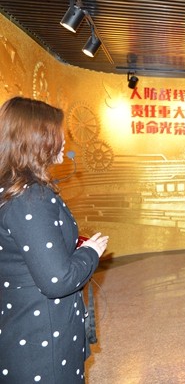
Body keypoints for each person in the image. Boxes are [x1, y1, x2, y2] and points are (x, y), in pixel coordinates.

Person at [0, 97, 108, 383]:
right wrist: (91, 252)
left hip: (23, 331)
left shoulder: (10, 189)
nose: (64, 140)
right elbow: (58, 281)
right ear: (39, 140)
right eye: (58, 133)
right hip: (43, 341)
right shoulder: (31, 197)